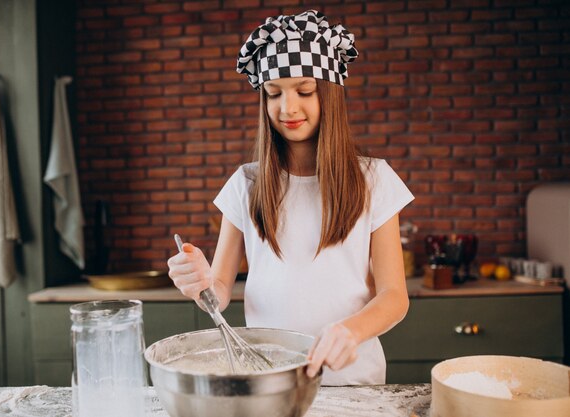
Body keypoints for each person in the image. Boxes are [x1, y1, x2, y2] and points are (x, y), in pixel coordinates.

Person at [167, 10, 414, 386]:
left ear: (329, 94)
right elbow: (216, 291)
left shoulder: (374, 179)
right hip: (270, 380)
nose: (288, 108)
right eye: (273, 94)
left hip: (353, 380)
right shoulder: (245, 184)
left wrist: (352, 330)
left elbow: (395, 296)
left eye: (304, 91)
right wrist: (197, 280)